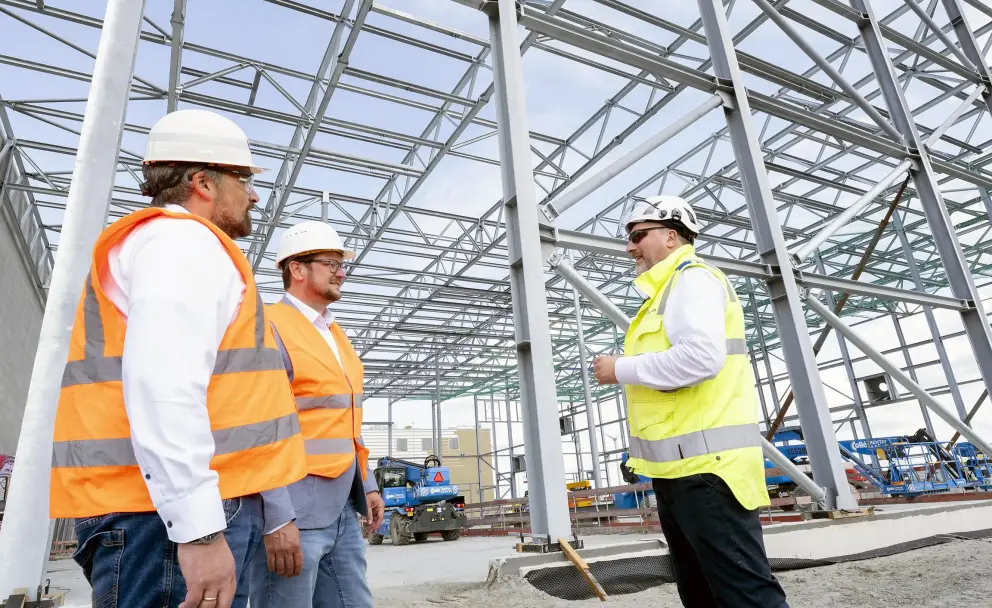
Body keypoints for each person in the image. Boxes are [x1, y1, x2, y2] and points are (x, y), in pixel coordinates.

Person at [49, 108, 308, 608]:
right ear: (202, 183)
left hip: (157, 512)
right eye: (245, 178)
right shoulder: (182, 243)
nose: (253, 194)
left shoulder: (170, 245)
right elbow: (164, 388)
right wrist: (199, 531)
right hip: (160, 521)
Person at [592, 195, 789, 608]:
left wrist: (621, 368)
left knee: (746, 596)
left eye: (638, 235)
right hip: (681, 475)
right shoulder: (665, 292)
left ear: (671, 236)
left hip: (708, 474)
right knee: (702, 594)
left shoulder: (691, 279)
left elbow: (700, 358)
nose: (630, 247)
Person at [249, 221, 385, 608]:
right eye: (331, 263)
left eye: (342, 264)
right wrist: (276, 516)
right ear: (297, 269)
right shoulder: (268, 326)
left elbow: (345, 422)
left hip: (343, 505)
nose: (342, 272)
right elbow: (260, 426)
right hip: (292, 512)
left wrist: (368, 484)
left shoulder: (335, 334)